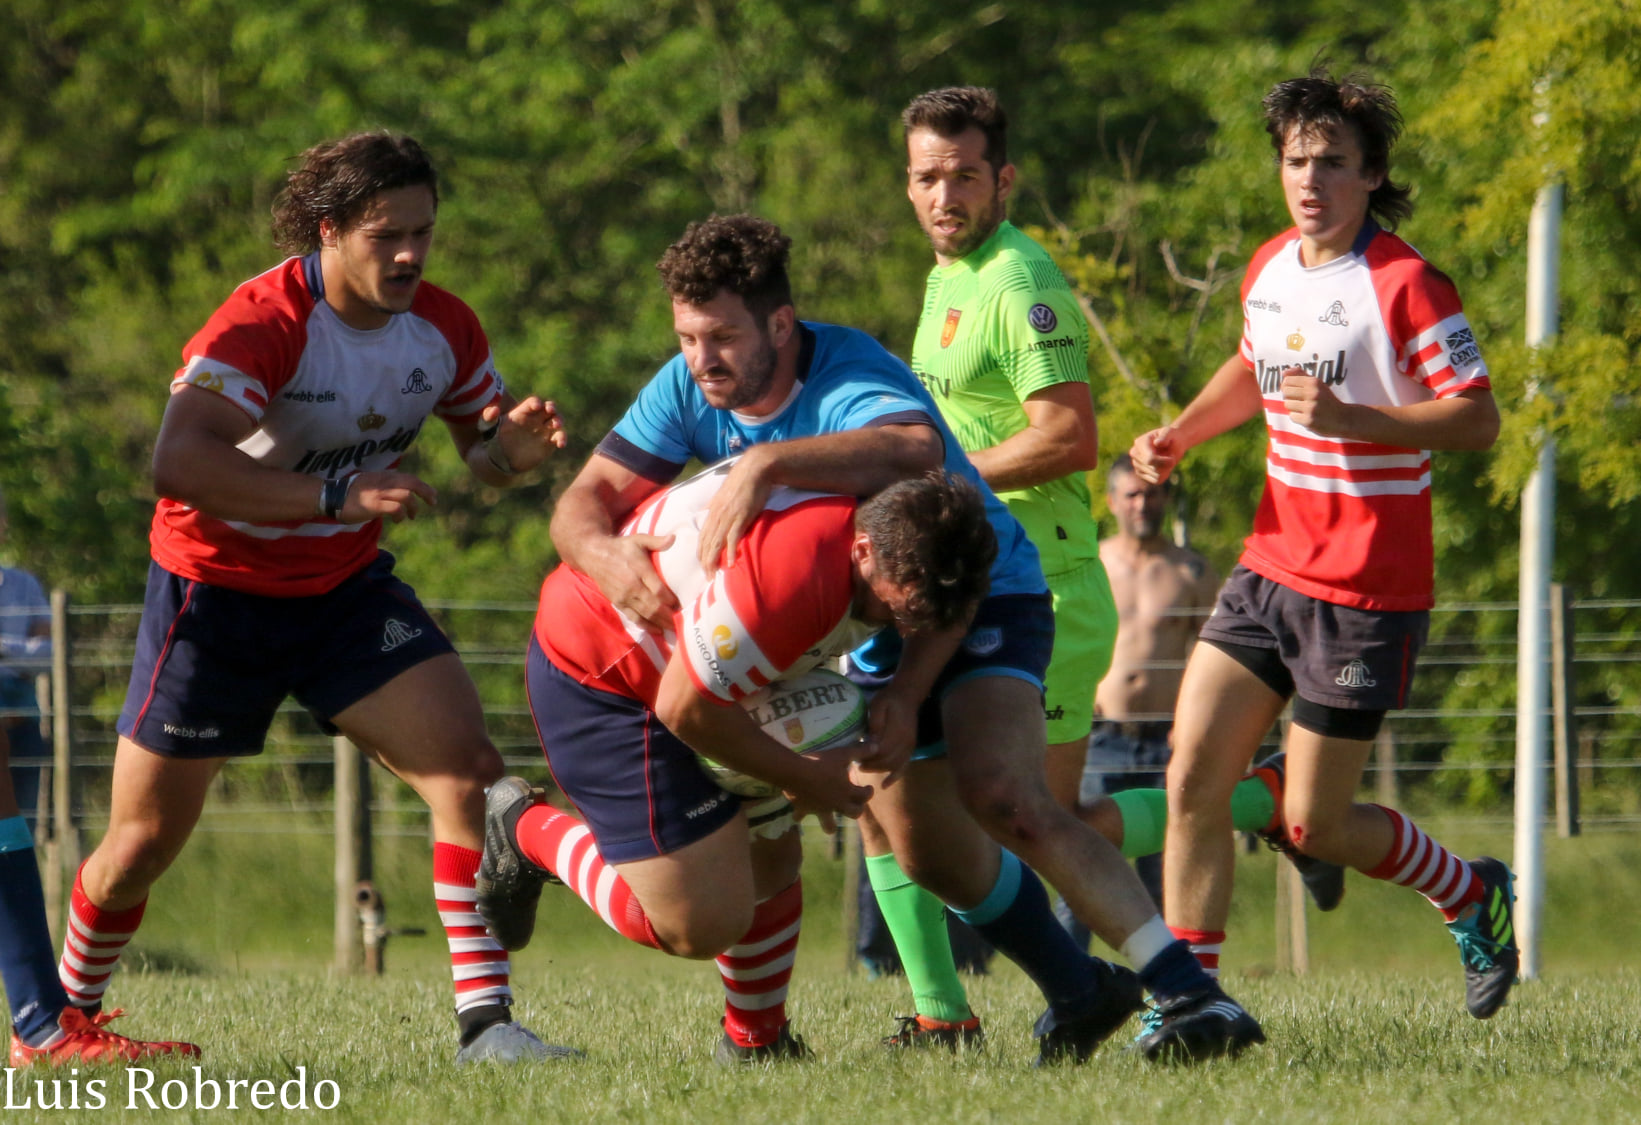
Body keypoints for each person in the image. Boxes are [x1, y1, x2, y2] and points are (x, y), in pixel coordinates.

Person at [547, 213, 1225, 1064]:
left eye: (721, 335)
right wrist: (606, 558)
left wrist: (769, 462)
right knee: (927, 847)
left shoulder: (847, 373)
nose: (701, 357)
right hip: (873, 612)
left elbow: (913, 450)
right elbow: (581, 500)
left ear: (782, 326)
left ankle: (1192, 993)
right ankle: (1078, 991)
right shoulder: (688, 384)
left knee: (1005, 797)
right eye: (687, 336)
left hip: (979, 592)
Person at [57, 132, 574, 1066]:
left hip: (340, 590)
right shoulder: (261, 321)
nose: (411, 254)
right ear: (328, 231)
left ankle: (487, 1028)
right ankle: (63, 1021)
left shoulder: (445, 327)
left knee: (466, 773)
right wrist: (333, 494)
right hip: (214, 598)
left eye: (423, 232)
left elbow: (481, 453)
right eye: (388, 235)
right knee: (140, 842)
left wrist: (511, 458)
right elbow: (177, 461)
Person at [1128, 68, 1513, 1062]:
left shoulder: (1408, 283)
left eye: (1333, 162)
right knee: (1191, 779)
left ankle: (1470, 890)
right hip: (1271, 565)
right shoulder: (1271, 266)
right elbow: (1257, 371)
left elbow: (1477, 417)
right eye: (1297, 159)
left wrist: (1357, 419)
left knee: (1314, 823)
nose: (1311, 178)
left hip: (1366, 590)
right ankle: (1193, 1005)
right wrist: (1183, 433)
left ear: (1371, 173)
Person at [476, 466, 995, 1063]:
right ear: (862, 549)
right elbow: (685, 709)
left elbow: (955, 600)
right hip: (601, 670)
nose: (909, 624)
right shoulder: (794, 583)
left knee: (772, 845)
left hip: (697, 669)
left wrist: (905, 694)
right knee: (693, 924)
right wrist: (807, 777)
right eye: (902, 604)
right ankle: (525, 831)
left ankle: (757, 1044)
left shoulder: (922, 539)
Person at [0, 490, 51, 827]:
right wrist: (21, 652)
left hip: (22, 730)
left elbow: (50, 655)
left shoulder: (25, 584)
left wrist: (4, 650)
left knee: (21, 833)